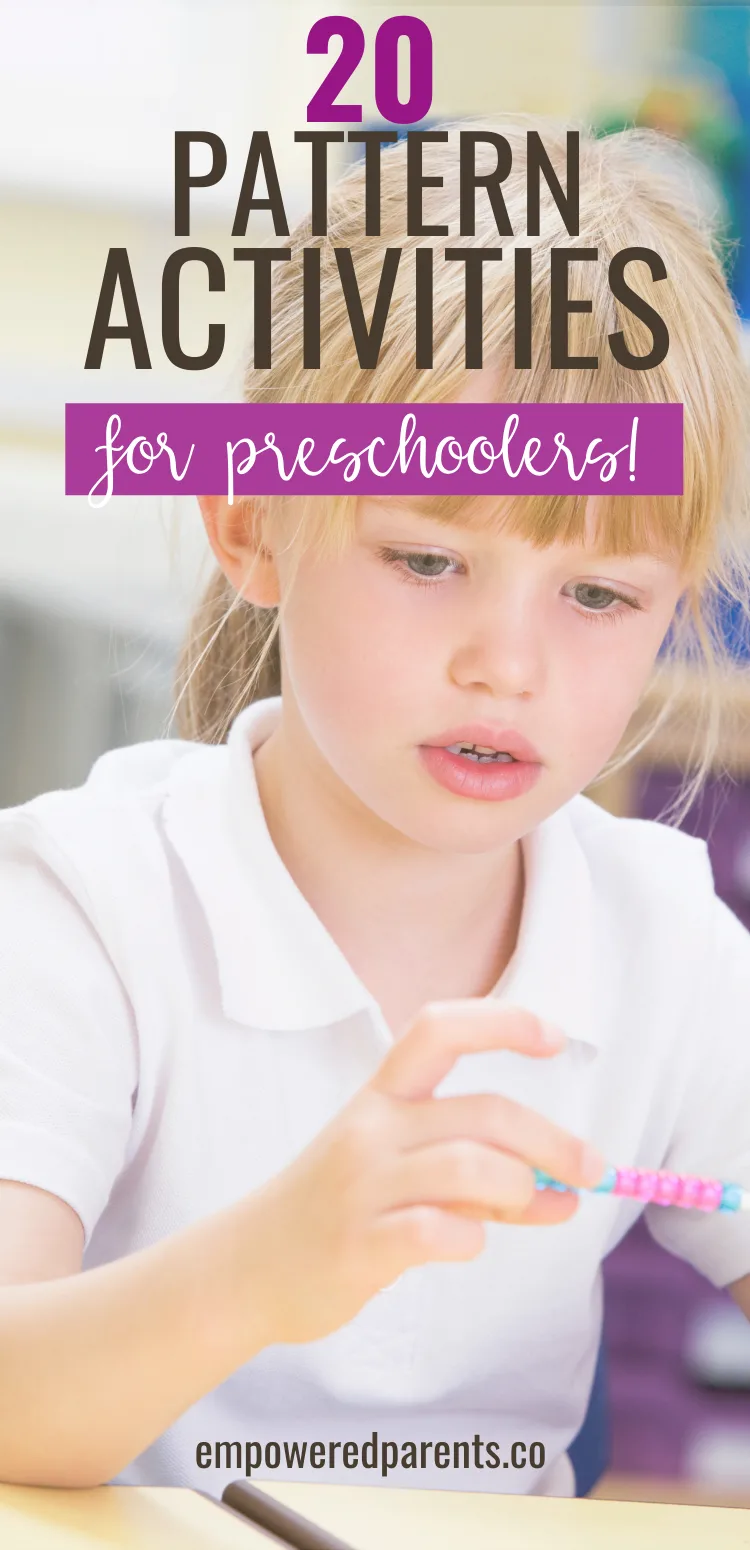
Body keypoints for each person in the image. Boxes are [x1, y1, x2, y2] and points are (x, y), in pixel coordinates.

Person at [1, 117, 750, 1502]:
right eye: (425, 556)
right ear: (249, 527)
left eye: (596, 596)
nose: (506, 664)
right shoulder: (86, 904)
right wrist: (267, 1263)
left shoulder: (665, 939)